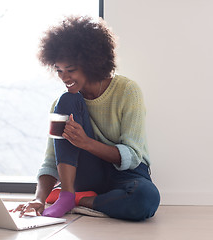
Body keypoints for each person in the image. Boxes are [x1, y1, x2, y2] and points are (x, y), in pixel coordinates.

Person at [12, 16, 160, 221]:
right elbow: (50, 160)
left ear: (92, 63)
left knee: (145, 198)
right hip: (88, 174)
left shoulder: (127, 91)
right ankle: (67, 194)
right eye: (59, 70)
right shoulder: (61, 103)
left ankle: (79, 200)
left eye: (71, 70)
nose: (64, 78)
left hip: (128, 174)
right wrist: (39, 199)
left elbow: (134, 155)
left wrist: (87, 143)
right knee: (66, 100)